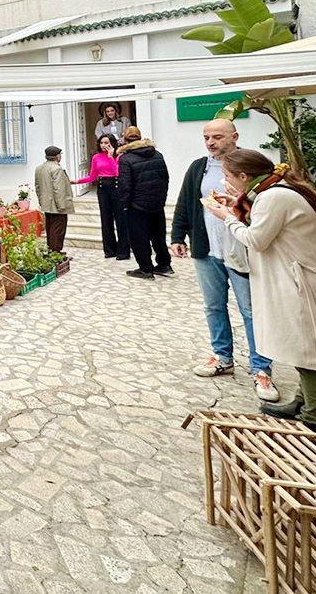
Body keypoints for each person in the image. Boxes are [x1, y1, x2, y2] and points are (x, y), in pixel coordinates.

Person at [204, 151, 316, 433]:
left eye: (228, 176)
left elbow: (256, 239)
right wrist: (237, 206)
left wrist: (227, 217)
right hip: (296, 278)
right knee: (302, 346)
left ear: (243, 176)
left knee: (307, 348)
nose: (225, 180)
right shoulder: (274, 191)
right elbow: (263, 223)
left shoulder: (273, 196)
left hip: (301, 282)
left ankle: (315, 415)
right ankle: (303, 402)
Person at [171, 120, 277, 400]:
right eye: (207, 137)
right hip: (207, 249)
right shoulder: (199, 167)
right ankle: (222, 357)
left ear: (235, 137)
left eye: (217, 137)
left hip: (242, 249)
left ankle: (261, 368)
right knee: (213, 306)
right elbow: (186, 201)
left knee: (251, 310)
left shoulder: (251, 166)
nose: (210, 142)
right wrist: (178, 236)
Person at [117, 129, 172, 279]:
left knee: (139, 238)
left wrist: (124, 205)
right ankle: (164, 264)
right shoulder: (157, 154)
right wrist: (162, 198)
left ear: (125, 140)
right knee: (158, 235)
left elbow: (125, 185)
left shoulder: (125, 159)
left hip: (137, 205)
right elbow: (165, 178)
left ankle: (145, 269)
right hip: (157, 203)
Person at [73, 134, 128, 259]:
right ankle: (109, 250)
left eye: (107, 143)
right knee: (106, 219)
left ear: (113, 144)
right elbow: (92, 176)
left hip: (116, 188)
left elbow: (117, 173)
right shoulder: (96, 157)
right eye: (102, 143)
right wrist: (77, 182)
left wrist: (110, 157)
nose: (104, 145)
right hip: (103, 189)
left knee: (120, 220)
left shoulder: (119, 157)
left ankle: (123, 251)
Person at [35, 146, 75, 253]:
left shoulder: (39, 168)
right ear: (57, 156)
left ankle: (51, 250)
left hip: (46, 203)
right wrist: (62, 206)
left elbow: (37, 187)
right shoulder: (56, 169)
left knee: (50, 228)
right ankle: (56, 252)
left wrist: (41, 201)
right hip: (57, 204)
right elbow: (59, 189)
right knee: (58, 230)